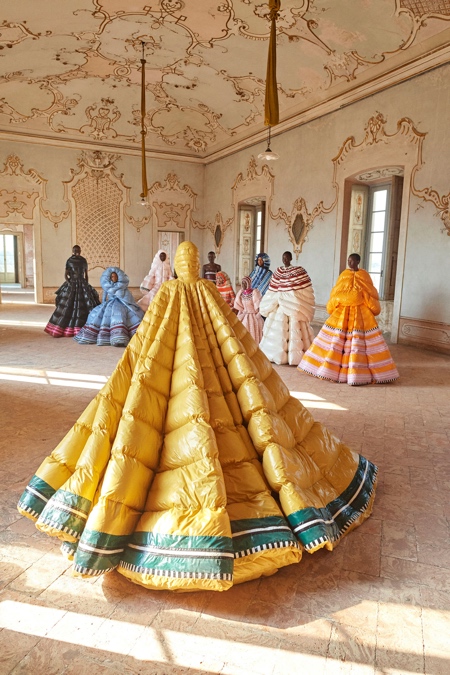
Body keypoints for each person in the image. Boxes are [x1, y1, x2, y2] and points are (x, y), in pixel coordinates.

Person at [18, 242, 377, 593]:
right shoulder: (206, 292)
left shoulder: (170, 293)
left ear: (176, 263)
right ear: (191, 263)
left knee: (129, 418)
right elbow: (232, 341)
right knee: (253, 407)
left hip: (167, 368)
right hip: (216, 368)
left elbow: (148, 340)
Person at [298, 253, 399, 385]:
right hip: (342, 314)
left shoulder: (364, 276)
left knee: (360, 345)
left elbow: (370, 293)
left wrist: (361, 297)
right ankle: (332, 369)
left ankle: (357, 372)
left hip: (361, 315)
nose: (350, 263)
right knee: (337, 342)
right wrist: (342, 299)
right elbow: (336, 292)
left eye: (352, 260)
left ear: (358, 261)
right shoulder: (344, 275)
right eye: (348, 260)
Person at [259, 251, 315, 365]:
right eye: (283, 257)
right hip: (278, 307)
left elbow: (303, 289)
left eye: (287, 257)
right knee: (277, 331)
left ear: (291, 258)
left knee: (296, 330)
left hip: (292, 307)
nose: (285, 260)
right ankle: (276, 354)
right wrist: (279, 297)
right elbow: (273, 289)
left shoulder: (298, 272)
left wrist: (288, 297)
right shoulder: (278, 272)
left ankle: (294, 356)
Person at [74, 267, 144, 347]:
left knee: (123, 314)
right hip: (110, 303)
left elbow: (128, 298)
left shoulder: (123, 287)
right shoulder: (107, 287)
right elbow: (104, 298)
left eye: (115, 276)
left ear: (119, 277)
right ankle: (112, 335)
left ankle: (122, 334)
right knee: (97, 314)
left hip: (122, 303)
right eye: (111, 277)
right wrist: (103, 306)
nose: (113, 278)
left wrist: (130, 304)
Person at [44, 245, 100, 338]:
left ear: (80, 250)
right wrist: (69, 283)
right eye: (74, 250)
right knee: (67, 306)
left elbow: (86, 274)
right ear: (72, 251)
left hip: (82, 283)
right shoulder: (69, 261)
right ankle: (65, 328)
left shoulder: (83, 260)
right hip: (72, 283)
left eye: (77, 250)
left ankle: (87, 327)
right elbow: (66, 275)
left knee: (86, 304)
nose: (76, 251)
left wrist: (86, 284)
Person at [234, 275, 264, 344]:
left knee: (253, 333)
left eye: (245, 283)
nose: (243, 285)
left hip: (253, 317)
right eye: (242, 283)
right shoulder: (241, 294)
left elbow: (259, 306)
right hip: (244, 316)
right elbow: (240, 307)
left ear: (249, 283)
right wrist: (238, 316)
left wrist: (258, 316)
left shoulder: (254, 292)